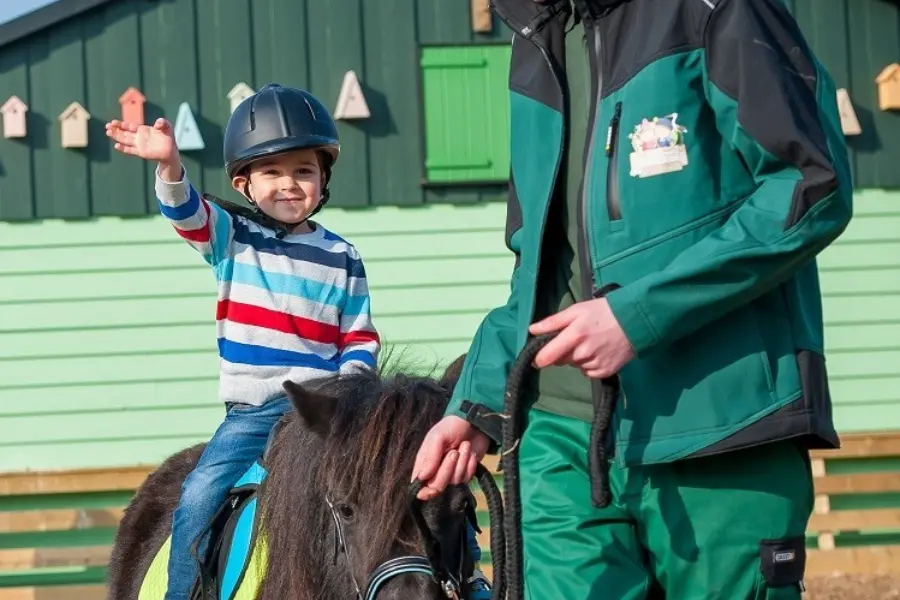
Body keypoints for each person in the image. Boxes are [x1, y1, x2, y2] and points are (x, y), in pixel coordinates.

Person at [412, 0, 853, 598]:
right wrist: (479, 403)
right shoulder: (537, 38)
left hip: (719, 426)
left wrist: (638, 316)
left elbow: (810, 186)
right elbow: (539, 265)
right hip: (560, 438)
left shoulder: (720, 10)